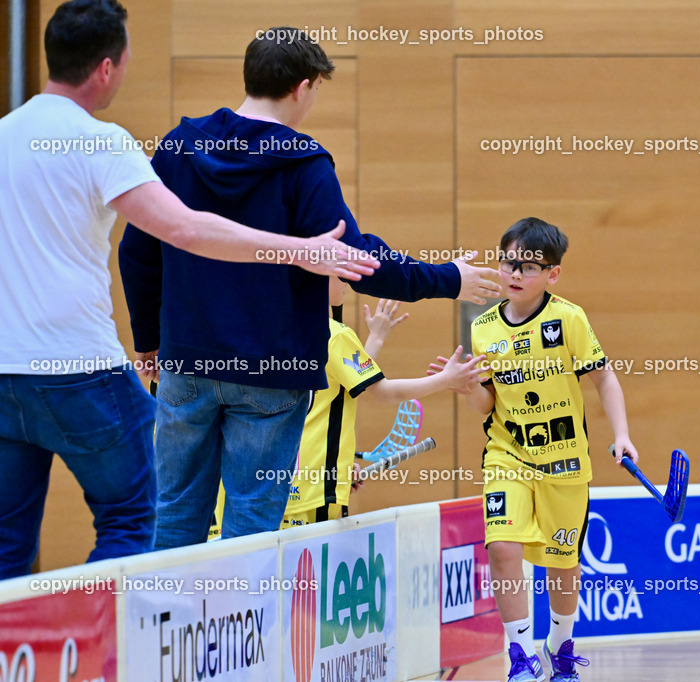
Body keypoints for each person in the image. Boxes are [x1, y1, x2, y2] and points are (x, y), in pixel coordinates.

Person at [0, 0, 375, 579]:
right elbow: (181, 229)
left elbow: (139, 254)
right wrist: (304, 249)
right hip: (81, 367)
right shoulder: (103, 142)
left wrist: (150, 342)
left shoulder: (6, 136)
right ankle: (123, 660)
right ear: (107, 67)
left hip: (6, 374)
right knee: (137, 519)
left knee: (11, 541)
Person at [118, 27, 500, 549]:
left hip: (185, 363)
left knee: (176, 518)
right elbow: (359, 258)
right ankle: (238, 630)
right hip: (272, 375)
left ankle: (166, 631)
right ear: (303, 87)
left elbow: (137, 253)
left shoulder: (180, 148)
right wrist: (448, 277)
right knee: (251, 529)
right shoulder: (303, 162)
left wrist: (148, 343)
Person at [438, 217, 638, 682]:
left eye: (529, 266)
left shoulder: (568, 318)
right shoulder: (484, 327)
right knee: (503, 547)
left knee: (562, 568)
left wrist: (622, 433)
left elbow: (604, 377)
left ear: (552, 274)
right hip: (508, 455)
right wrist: (468, 389)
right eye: (508, 261)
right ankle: (520, 655)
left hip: (565, 463)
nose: (514, 272)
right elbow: (487, 404)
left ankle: (560, 645)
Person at [207, 286, 463, 538]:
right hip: (309, 496)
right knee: (305, 579)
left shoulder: (245, 331)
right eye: (340, 275)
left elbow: (340, 385)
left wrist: (375, 339)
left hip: (239, 491)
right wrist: (445, 380)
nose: (346, 282)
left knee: (245, 576)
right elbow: (383, 392)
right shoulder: (332, 335)